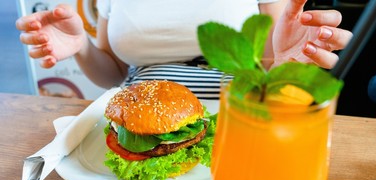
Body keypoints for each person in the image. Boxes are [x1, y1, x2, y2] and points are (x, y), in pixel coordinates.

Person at [15, 0, 352, 99]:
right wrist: (81, 48)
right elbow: (114, 74)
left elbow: (269, 64)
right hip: (136, 122)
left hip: (238, 116)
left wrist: (285, 63)